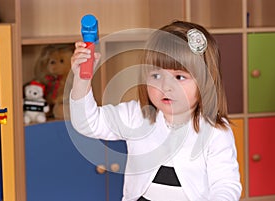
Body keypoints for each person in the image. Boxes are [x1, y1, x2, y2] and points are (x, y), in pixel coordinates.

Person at [69, 21, 242, 201]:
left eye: (180, 77)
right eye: (156, 75)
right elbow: (87, 123)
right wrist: (81, 79)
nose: (166, 86)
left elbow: (225, 186)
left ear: (205, 82)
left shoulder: (215, 132)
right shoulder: (136, 115)